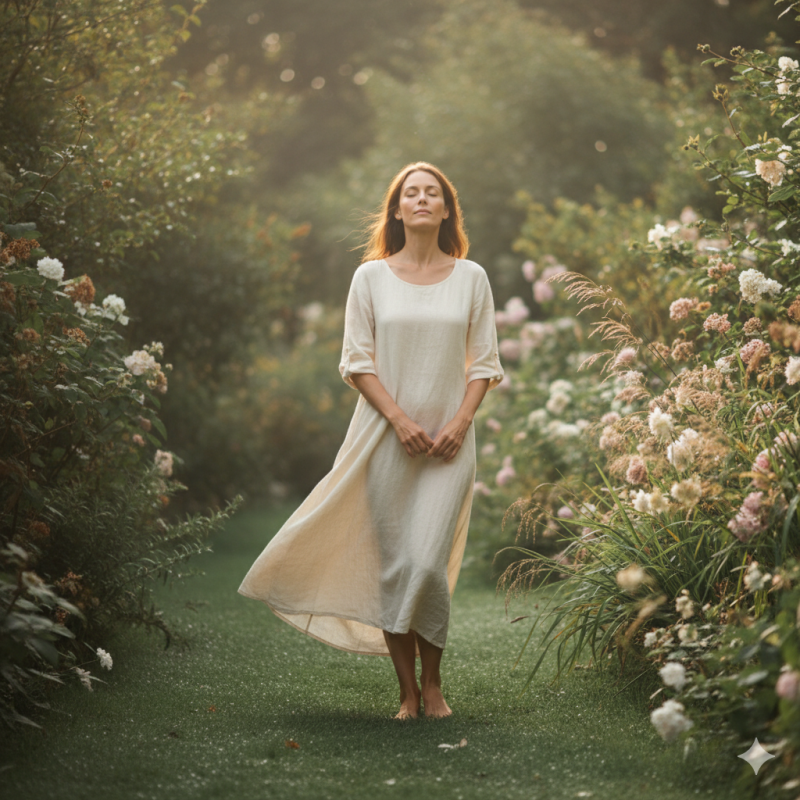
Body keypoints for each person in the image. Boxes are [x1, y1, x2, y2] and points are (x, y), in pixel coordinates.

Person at [238, 161, 504, 719]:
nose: (422, 199)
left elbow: (484, 364)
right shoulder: (370, 278)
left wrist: (460, 423)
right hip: (384, 439)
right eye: (412, 193)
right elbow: (356, 362)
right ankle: (408, 693)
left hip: (449, 445)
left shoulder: (471, 277)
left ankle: (435, 685)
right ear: (398, 209)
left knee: (427, 565)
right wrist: (400, 421)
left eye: (433, 193)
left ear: (447, 210)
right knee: (394, 567)